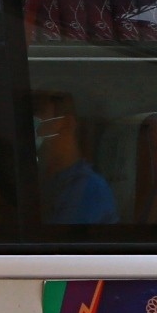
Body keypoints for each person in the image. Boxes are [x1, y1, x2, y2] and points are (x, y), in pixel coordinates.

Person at [33, 92, 118, 225]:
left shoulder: (89, 189)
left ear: (67, 124)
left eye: (40, 122)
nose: (37, 133)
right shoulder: (47, 183)